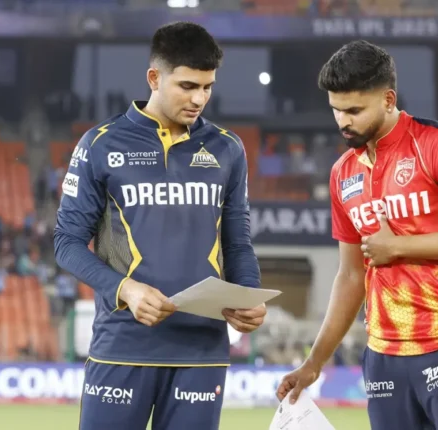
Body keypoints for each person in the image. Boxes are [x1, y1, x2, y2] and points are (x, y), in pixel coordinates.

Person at [276, 40, 438, 430]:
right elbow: (350, 275)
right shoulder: (343, 173)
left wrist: (398, 246)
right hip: (383, 357)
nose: (342, 122)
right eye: (336, 110)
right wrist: (314, 363)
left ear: (388, 99)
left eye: (354, 111)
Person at [54, 22, 265, 430]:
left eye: (207, 87)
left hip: (201, 351)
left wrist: (247, 294)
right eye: (187, 86)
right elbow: (67, 243)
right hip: (122, 344)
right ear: (154, 77)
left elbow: (238, 243)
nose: (199, 98)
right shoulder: (101, 144)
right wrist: (125, 289)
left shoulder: (227, 148)